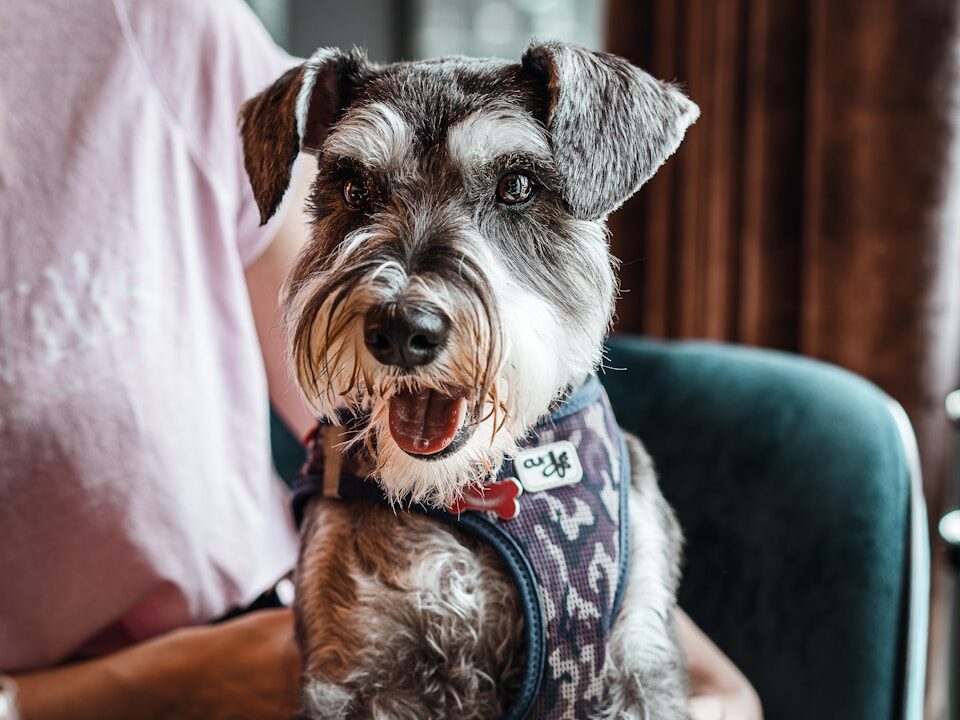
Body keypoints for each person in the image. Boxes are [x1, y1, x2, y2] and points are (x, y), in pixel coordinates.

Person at [0, 1, 761, 718]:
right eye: (358, 190)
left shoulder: (149, 23)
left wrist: (699, 669)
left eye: (514, 188)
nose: (402, 304)